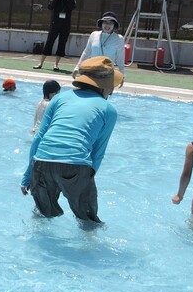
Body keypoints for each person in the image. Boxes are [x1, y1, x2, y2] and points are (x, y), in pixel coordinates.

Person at [21, 56, 122, 224]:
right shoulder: (108, 110)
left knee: (41, 216)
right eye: (112, 84)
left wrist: (27, 175)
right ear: (104, 85)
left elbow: (39, 136)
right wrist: (86, 181)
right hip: (77, 165)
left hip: (42, 162)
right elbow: (98, 152)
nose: (112, 90)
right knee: (88, 222)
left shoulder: (59, 99)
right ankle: (87, 249)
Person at [33, 0, 76, 71]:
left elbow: (72, 7)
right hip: (55, 23)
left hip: (65, 25)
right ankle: (40, 63)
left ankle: (56, 65)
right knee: (49, 42)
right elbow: (50, 6)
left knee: (62, 43)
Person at [72, 11, 125, 83]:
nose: (107, 25)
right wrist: (77, 67)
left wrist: (122, 75)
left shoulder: (119, 39)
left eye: (110, 23)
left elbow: (120, 59)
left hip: (107, 74)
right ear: (102, 23)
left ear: (114, 25)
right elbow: (86, 52)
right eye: (105, 22)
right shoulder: (94, 35)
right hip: (91, 71)